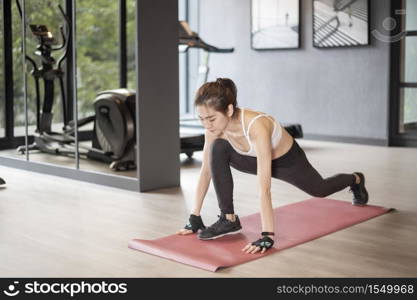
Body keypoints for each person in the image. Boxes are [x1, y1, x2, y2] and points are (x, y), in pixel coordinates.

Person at [176, 78, 368, 254]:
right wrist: (195, 215)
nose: (206, 125)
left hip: (287, 162)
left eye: (211, 119)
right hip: (249, 159)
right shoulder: (213, 130)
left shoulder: (257, 125)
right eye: (201, 119)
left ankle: (356, 179)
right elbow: (206, 170)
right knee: (217, 148)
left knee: (320, 189)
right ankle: (229, 219)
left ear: (229, 110)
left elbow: (264, 187)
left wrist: (267, 235)